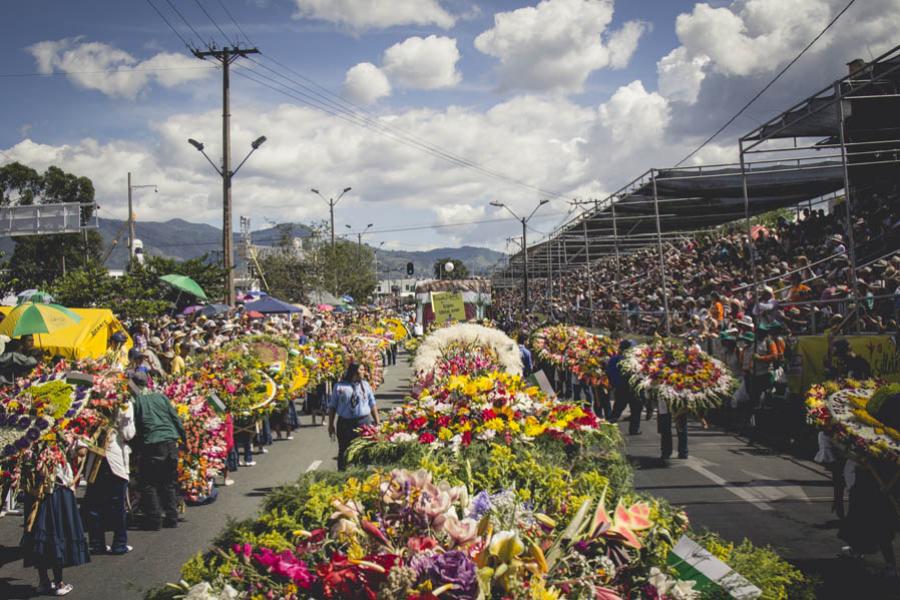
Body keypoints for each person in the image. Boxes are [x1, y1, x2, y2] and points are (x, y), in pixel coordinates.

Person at [20, 443, 90, 596]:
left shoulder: (28, 439)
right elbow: (81, 451)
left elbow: (80, 452)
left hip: (36, 492)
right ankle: (58, 582)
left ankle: (44, 581)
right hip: (53, 491)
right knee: (55, 533)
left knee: (41, 534)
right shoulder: (54, 436)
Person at [131, 370, 186, 530]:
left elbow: (136, 428)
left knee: (149, 484)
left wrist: (136, 449)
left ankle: (154, 520)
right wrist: (184, 439)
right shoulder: (161, 397)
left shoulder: (137, 402)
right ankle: (172, 517)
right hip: (170, 443)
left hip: (152, 445)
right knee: (168, 482)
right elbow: (175, 418)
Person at [83, 395, 136, 555]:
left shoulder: (88, 402)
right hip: (114, 459)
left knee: (95, 504)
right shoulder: (123, 403)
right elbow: (128, 434)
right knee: (117, 505)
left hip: (95, 460)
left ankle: (97, 543)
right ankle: (119, 543)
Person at [328, 363, 380, 471]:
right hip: (345, 423)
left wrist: (377, 422)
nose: (364, 372)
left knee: (363, 449)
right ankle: (342, 474)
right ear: (355, 371)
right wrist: (331, 424)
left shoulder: (365, 385)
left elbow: (372, 404)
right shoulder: (339, 387)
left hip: (363, 422)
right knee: (344, 450)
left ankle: (361, 473)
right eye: (361, 370)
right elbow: (332, 406)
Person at [607, 340, 642, 435]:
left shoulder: (614, 359)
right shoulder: (637, 360)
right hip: (634, 388)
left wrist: (614, 384)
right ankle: (634, 429)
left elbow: (610, 373)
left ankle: (609, 428)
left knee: (617, 409)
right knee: (636, 410)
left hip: (621, 388)